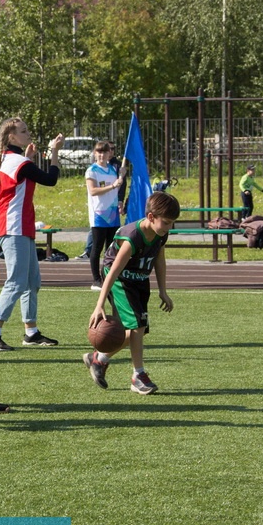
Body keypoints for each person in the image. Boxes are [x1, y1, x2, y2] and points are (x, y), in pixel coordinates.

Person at [84, 192, 180, 395]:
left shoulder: (160, 233)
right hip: (120, 279)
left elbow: (159, 260)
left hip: (138, 279)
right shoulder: (133, 237)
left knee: (136, 330)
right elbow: (113, 271)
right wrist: (99, 303)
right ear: (151, 217)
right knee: (137, 325)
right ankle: (138, 376)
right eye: (166, 222)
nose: (169, 227)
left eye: (172, 223)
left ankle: (99, 359)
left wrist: (163, 290)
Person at [0, 118, 64, 352]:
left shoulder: (10, 160)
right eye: (23, 131)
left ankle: (31, 332)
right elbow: (51, 179)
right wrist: (54, 152)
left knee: (31, 282)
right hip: (13, 227)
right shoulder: (16, 161)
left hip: (20, 227)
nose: (29, 133)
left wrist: (28, 158)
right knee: (16, 282)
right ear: (11, 137)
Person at [85, 141, 126, 290]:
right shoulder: (92, 170)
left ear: (109, 153)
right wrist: (112, 186)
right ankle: (96, 280)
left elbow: (119, 185)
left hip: (113, 213)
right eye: (99, 152)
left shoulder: (113, 169)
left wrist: (121, 176)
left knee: (111, 248)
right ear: (95, 154)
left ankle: (109, 277)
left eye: (105, 152)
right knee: (97, 247)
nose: (102, 155)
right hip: (99, 214)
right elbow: (93, 191)